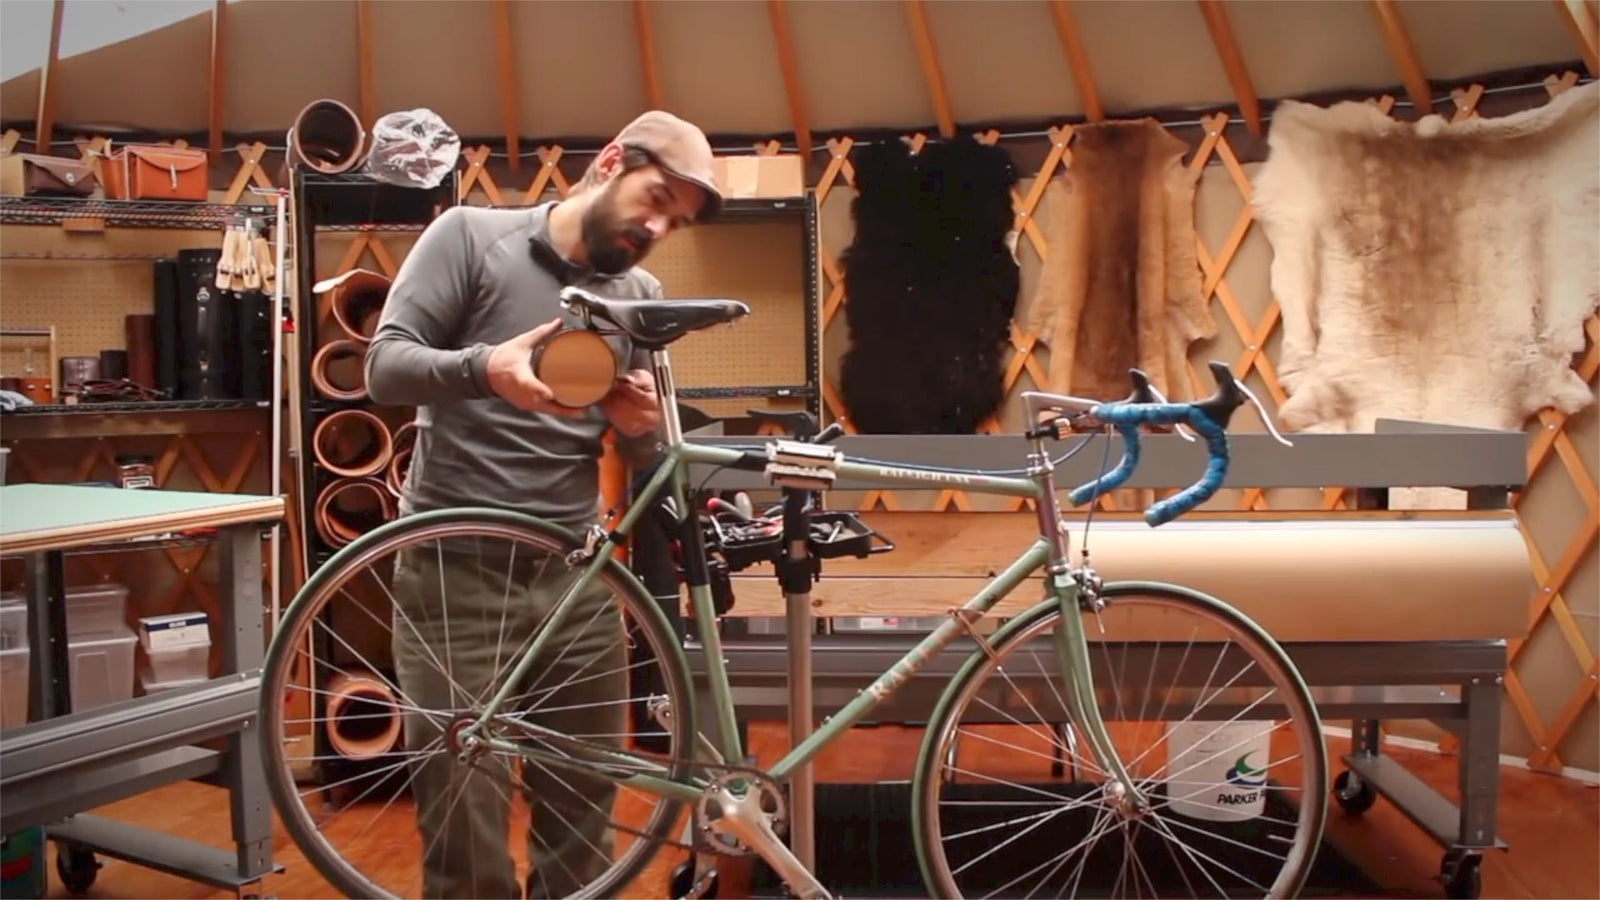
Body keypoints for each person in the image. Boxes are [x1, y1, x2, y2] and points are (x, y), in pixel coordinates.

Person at [363, 110, 723, 899]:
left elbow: (651, 460)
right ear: (610, 162)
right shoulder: (467, 236)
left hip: (576, 579)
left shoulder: (640, 294)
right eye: (655, 197)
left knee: (582, 804)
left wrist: (638, 435)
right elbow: (384, 368)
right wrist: (483, 367)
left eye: (675, 220)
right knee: (465, 808)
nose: (656, 226)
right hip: (454, 571)